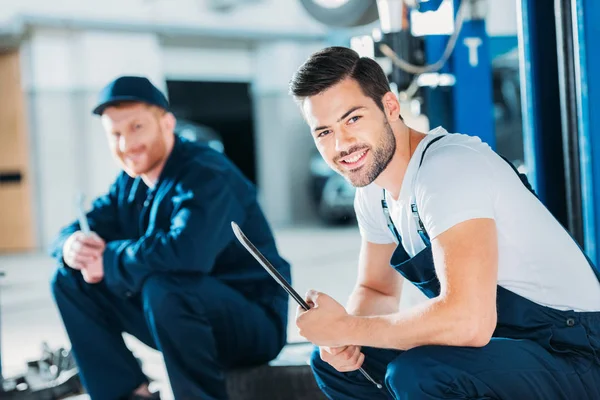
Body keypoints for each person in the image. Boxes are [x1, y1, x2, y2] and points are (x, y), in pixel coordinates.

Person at [289, 46, 600, 399]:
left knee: (421, 374)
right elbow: (376, 291)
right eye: (324, 132)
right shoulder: (374, 194)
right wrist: (343, 340)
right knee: (343, 367)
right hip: (505, 347)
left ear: (390, 107)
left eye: (353, 119)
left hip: (574, 351)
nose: (342, 144)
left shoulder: (448, 168)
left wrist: (350, 326)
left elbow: (469, 322)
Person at [49, 76, 291, 400]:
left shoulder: (206, 173)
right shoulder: (130, 183)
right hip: (176, 317)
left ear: (166, 124)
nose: (126, 145)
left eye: (137, 128)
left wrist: (107, 259)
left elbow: (187, 253)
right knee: (68, 277)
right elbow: (80, 227)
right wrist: (71, 246)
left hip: (250, 325)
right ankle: (129, 394)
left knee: (166, 285)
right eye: (116, 134)